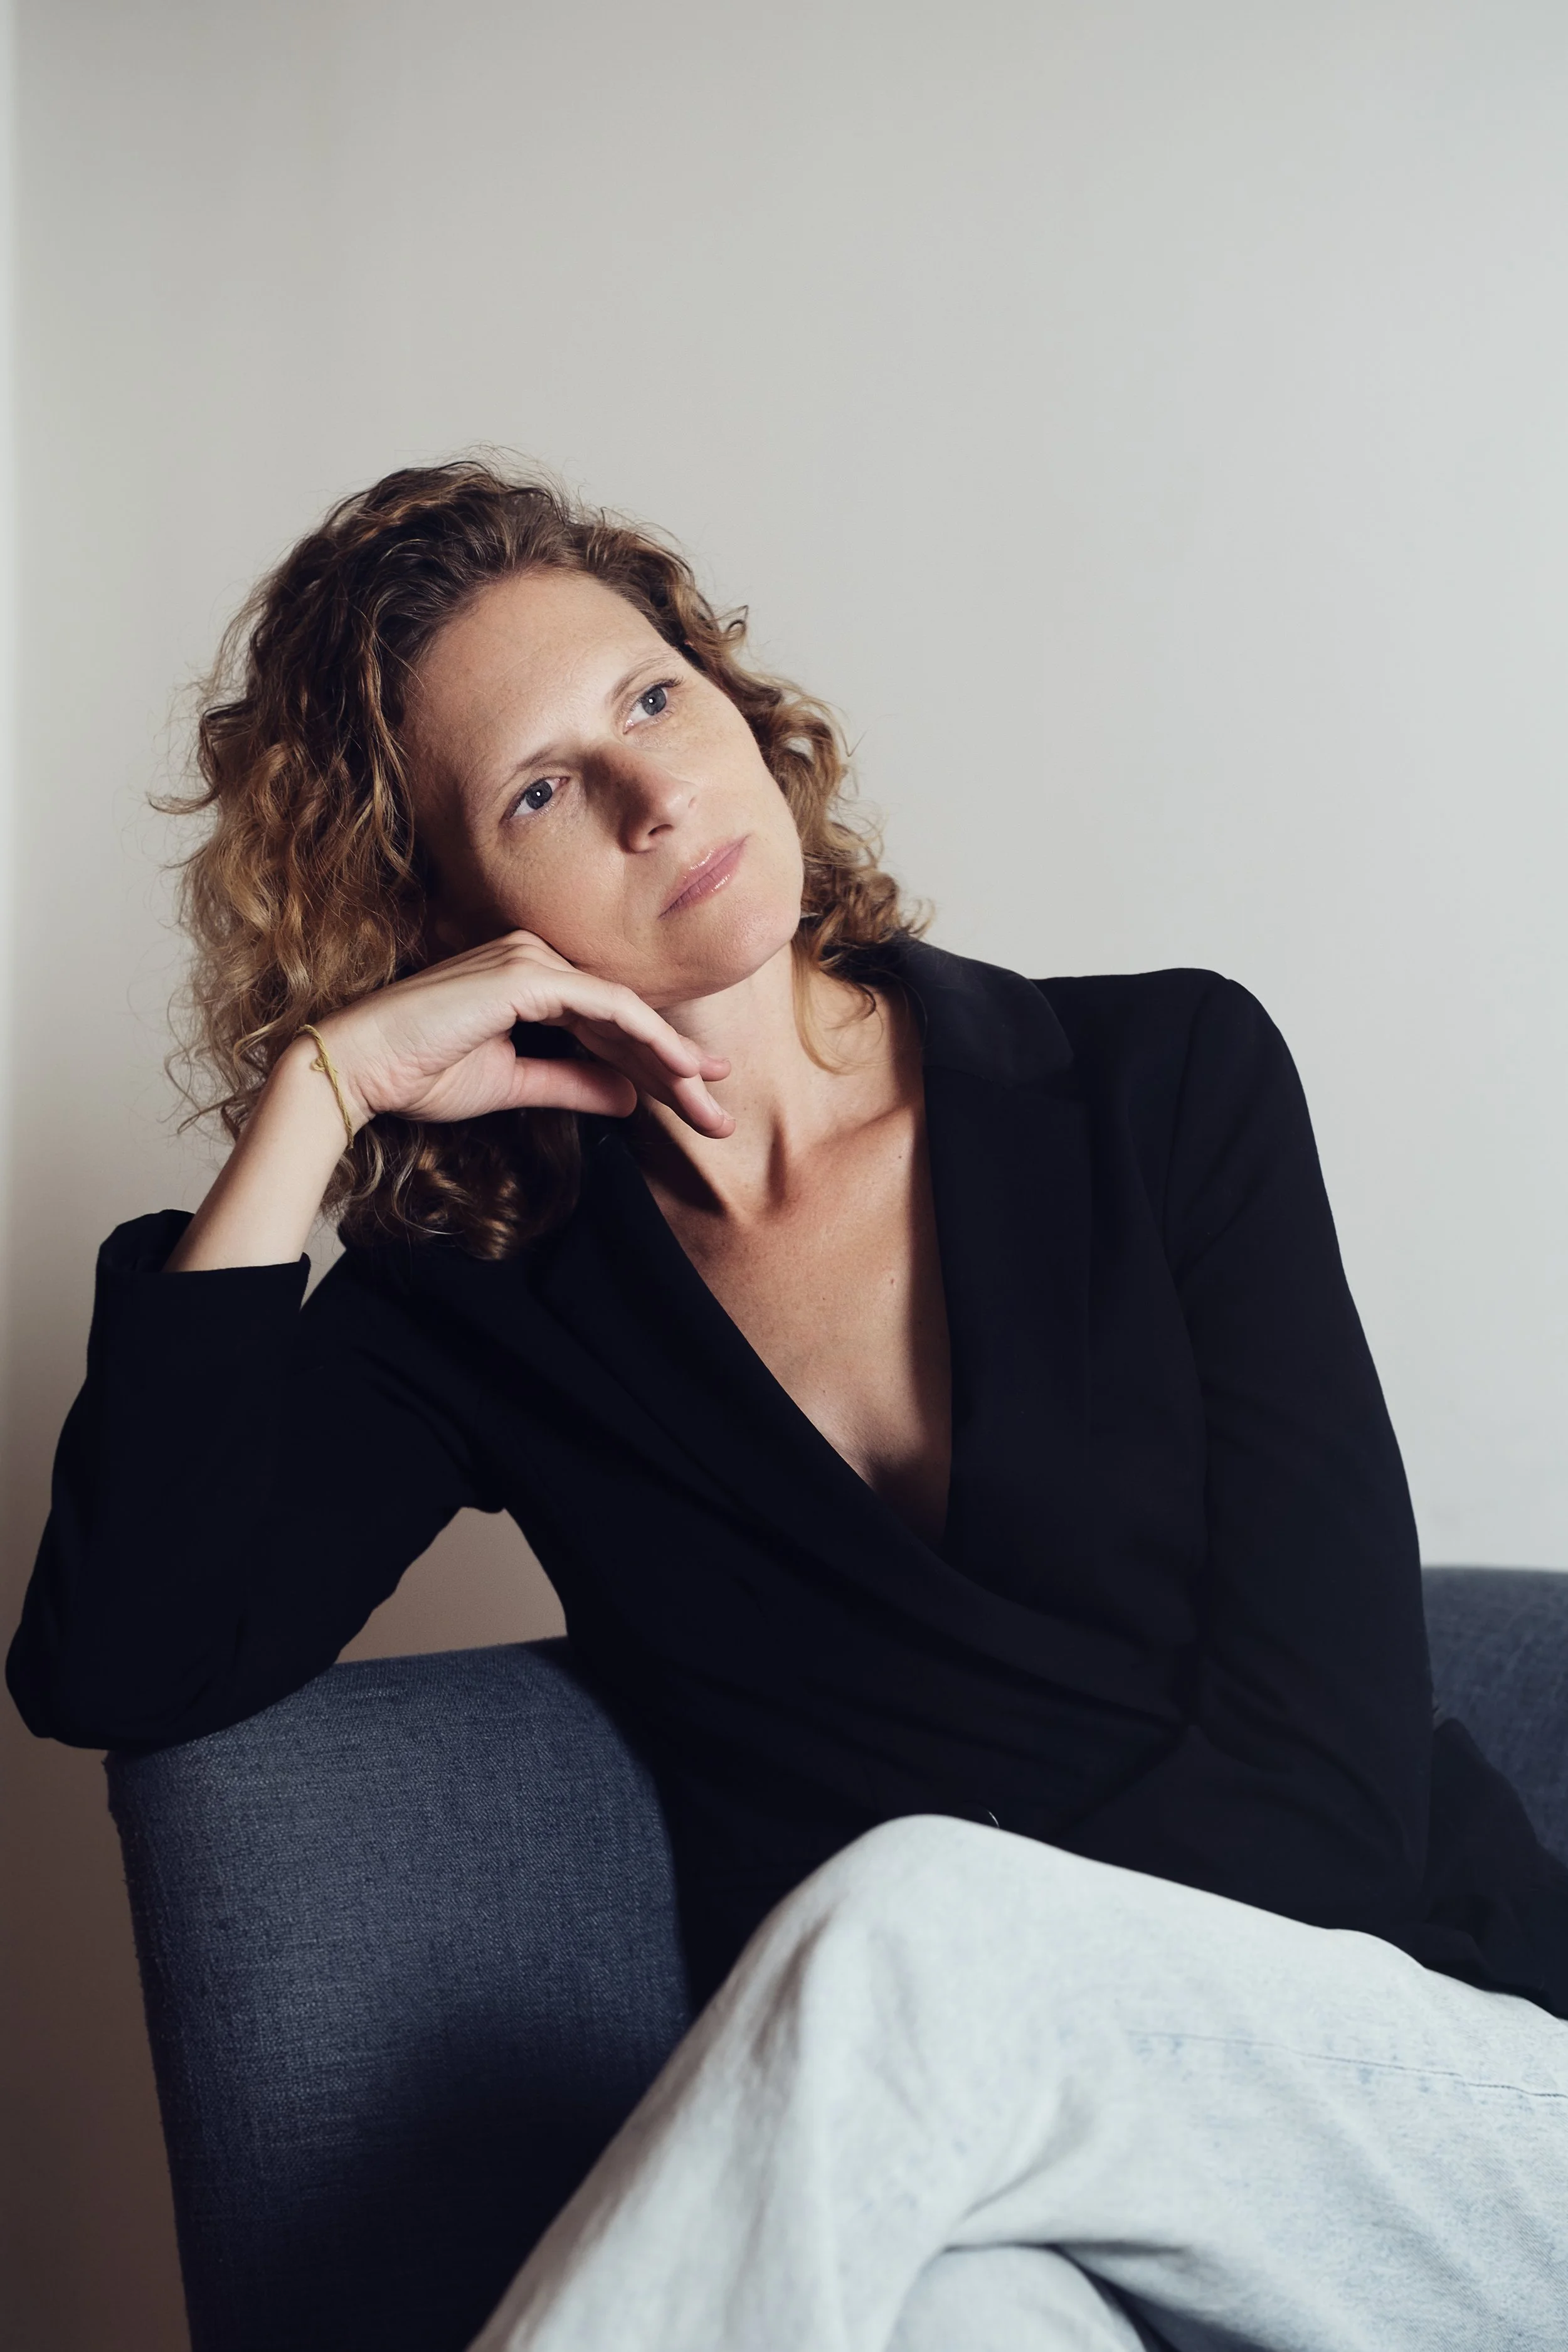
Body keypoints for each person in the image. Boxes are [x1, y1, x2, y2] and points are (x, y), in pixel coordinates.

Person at [8, 460, 1568, 2352]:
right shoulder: (494, 1296)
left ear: (736, 704)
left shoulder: (1161, 1079)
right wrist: (318, 1099)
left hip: (1429, 2088)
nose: (655, 794)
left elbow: (1334, 1793)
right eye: (539, 791)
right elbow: (128, 1660)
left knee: (912, 1916)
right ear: (443, 914)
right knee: (948, 2316)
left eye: (652, 697)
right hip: (1008, 2195)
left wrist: (956, 1974)